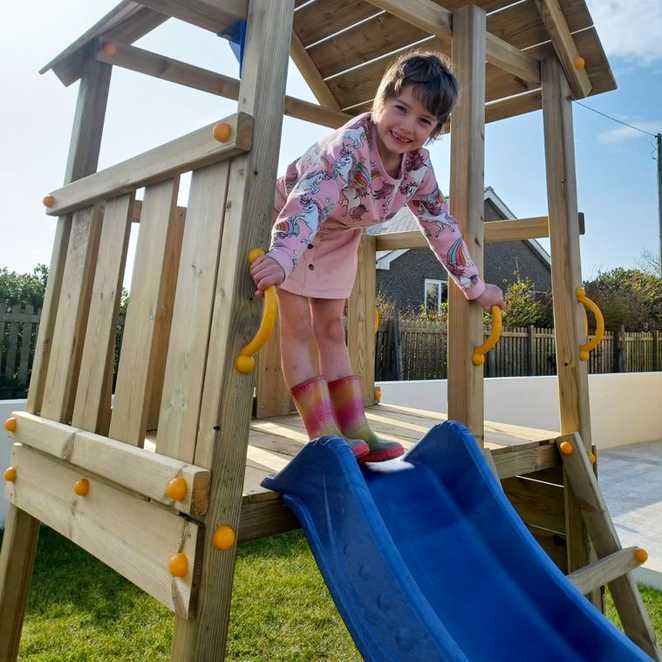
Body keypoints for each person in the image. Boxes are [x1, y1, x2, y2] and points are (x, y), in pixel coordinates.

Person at [250, 51, 504, 463]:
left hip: (338, 236)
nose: (407, 127)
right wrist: (281, 255)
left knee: (332, 328)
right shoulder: (347, 146)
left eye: (424, 121)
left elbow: (440, 224)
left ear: (436, 129)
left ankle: (355, 425)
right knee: (297, 327)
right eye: (400, 109)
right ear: (379, 103)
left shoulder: (418, 170)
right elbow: (310, 199)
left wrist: (474, 285)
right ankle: (323, 433)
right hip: (293, 222)